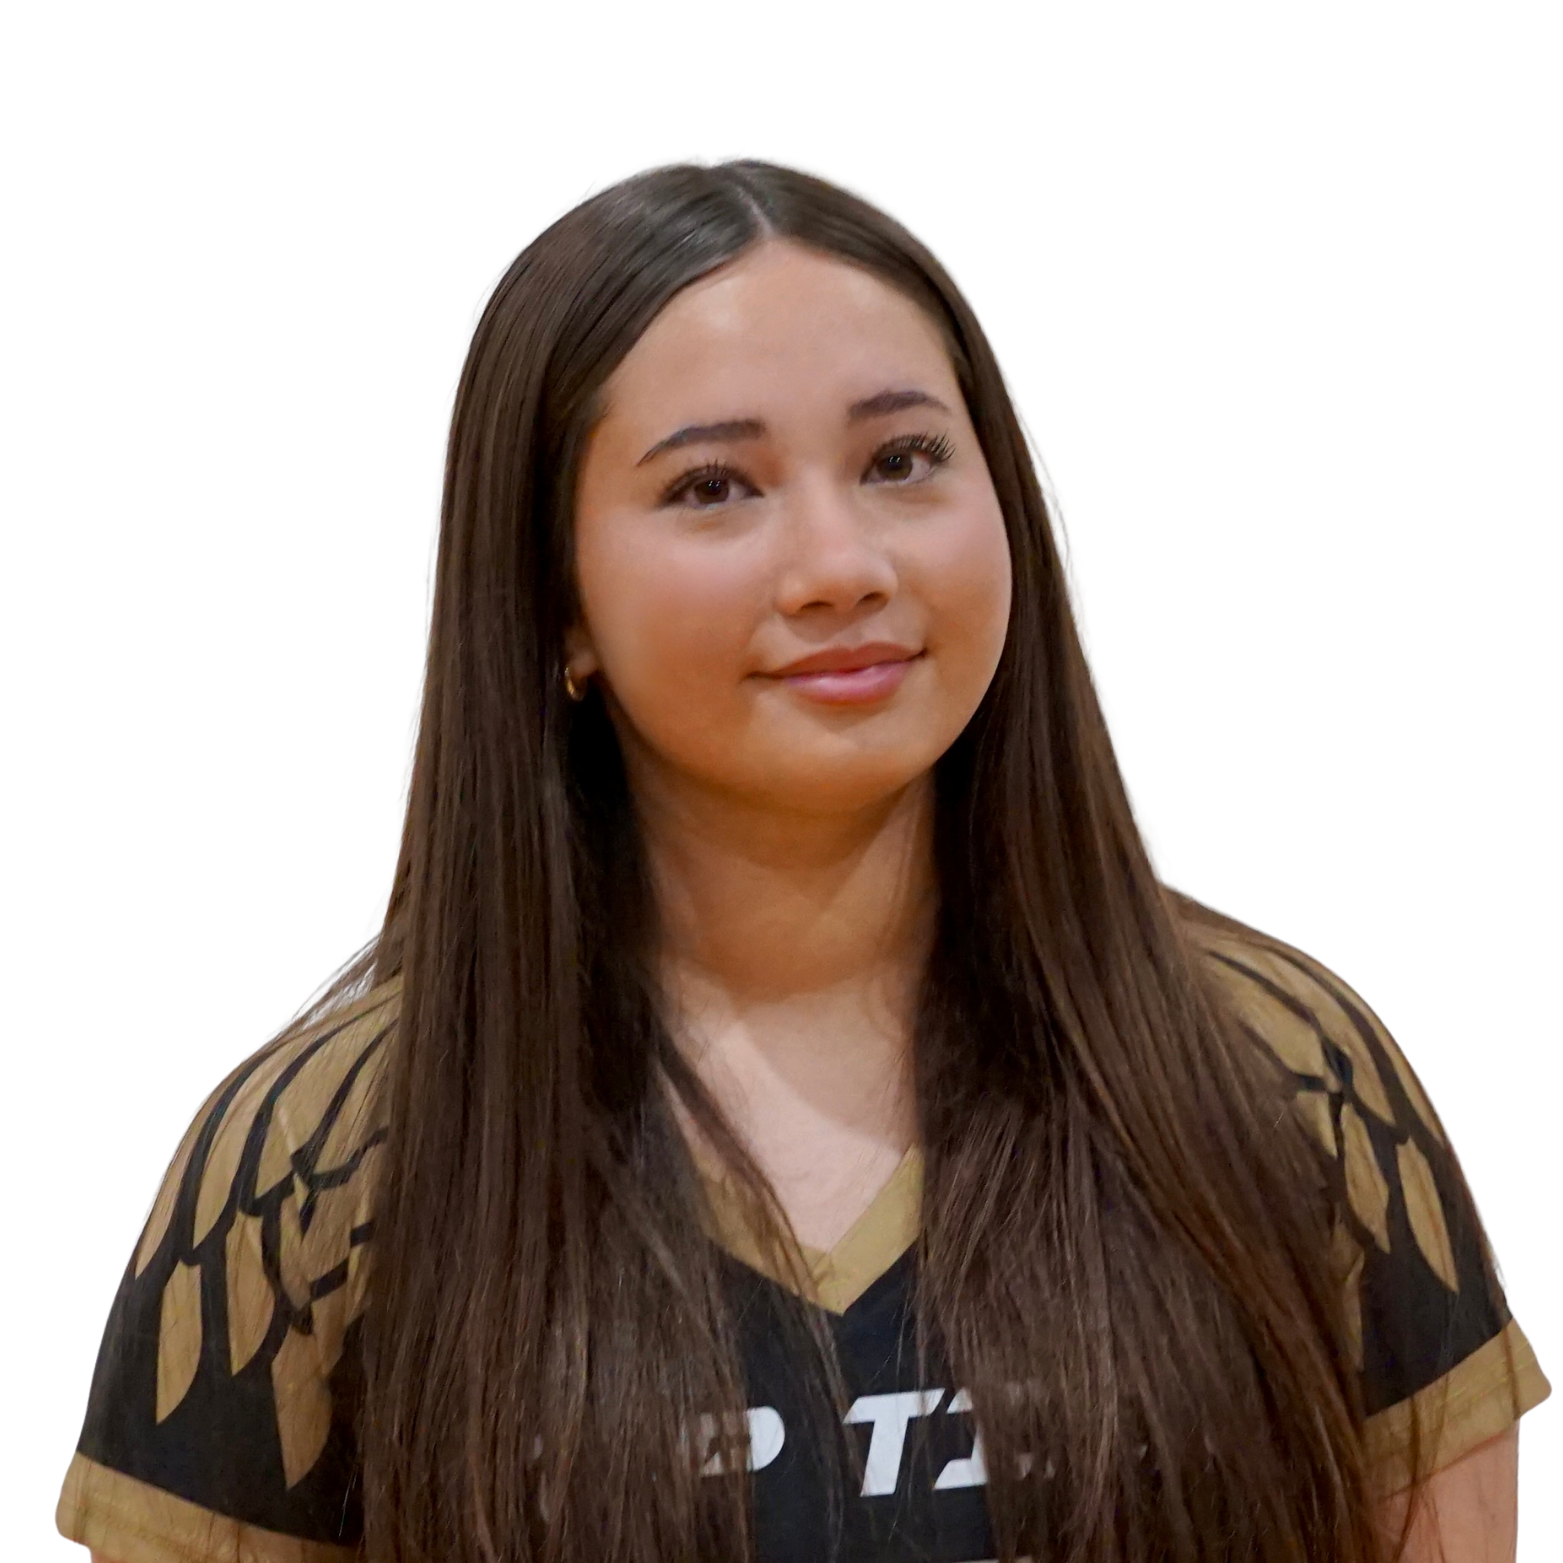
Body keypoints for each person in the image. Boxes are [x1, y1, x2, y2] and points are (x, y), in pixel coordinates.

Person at [57, 160, 1547, 1563]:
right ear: (554, 603)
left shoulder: (1285, 1079)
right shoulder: (316, 1171)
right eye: (713, 487)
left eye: (902, 459)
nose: (841, 561)